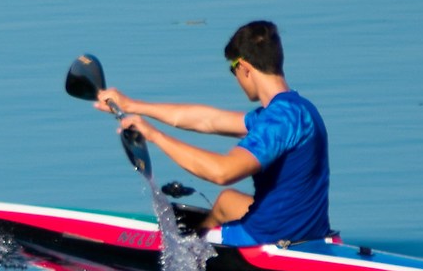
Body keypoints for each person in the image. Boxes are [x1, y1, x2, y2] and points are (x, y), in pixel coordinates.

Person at [94, 19, 331, 246]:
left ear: (244, 68)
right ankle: (201, 237)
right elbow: (207, 120)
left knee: (203, 229)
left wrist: (155, 136)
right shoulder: (299, 110)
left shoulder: (278, 121)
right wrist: (132, 105)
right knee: (227, 201)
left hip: (267, 240)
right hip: (311, 234)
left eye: (233, 70)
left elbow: (222, 172)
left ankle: (193, 249)